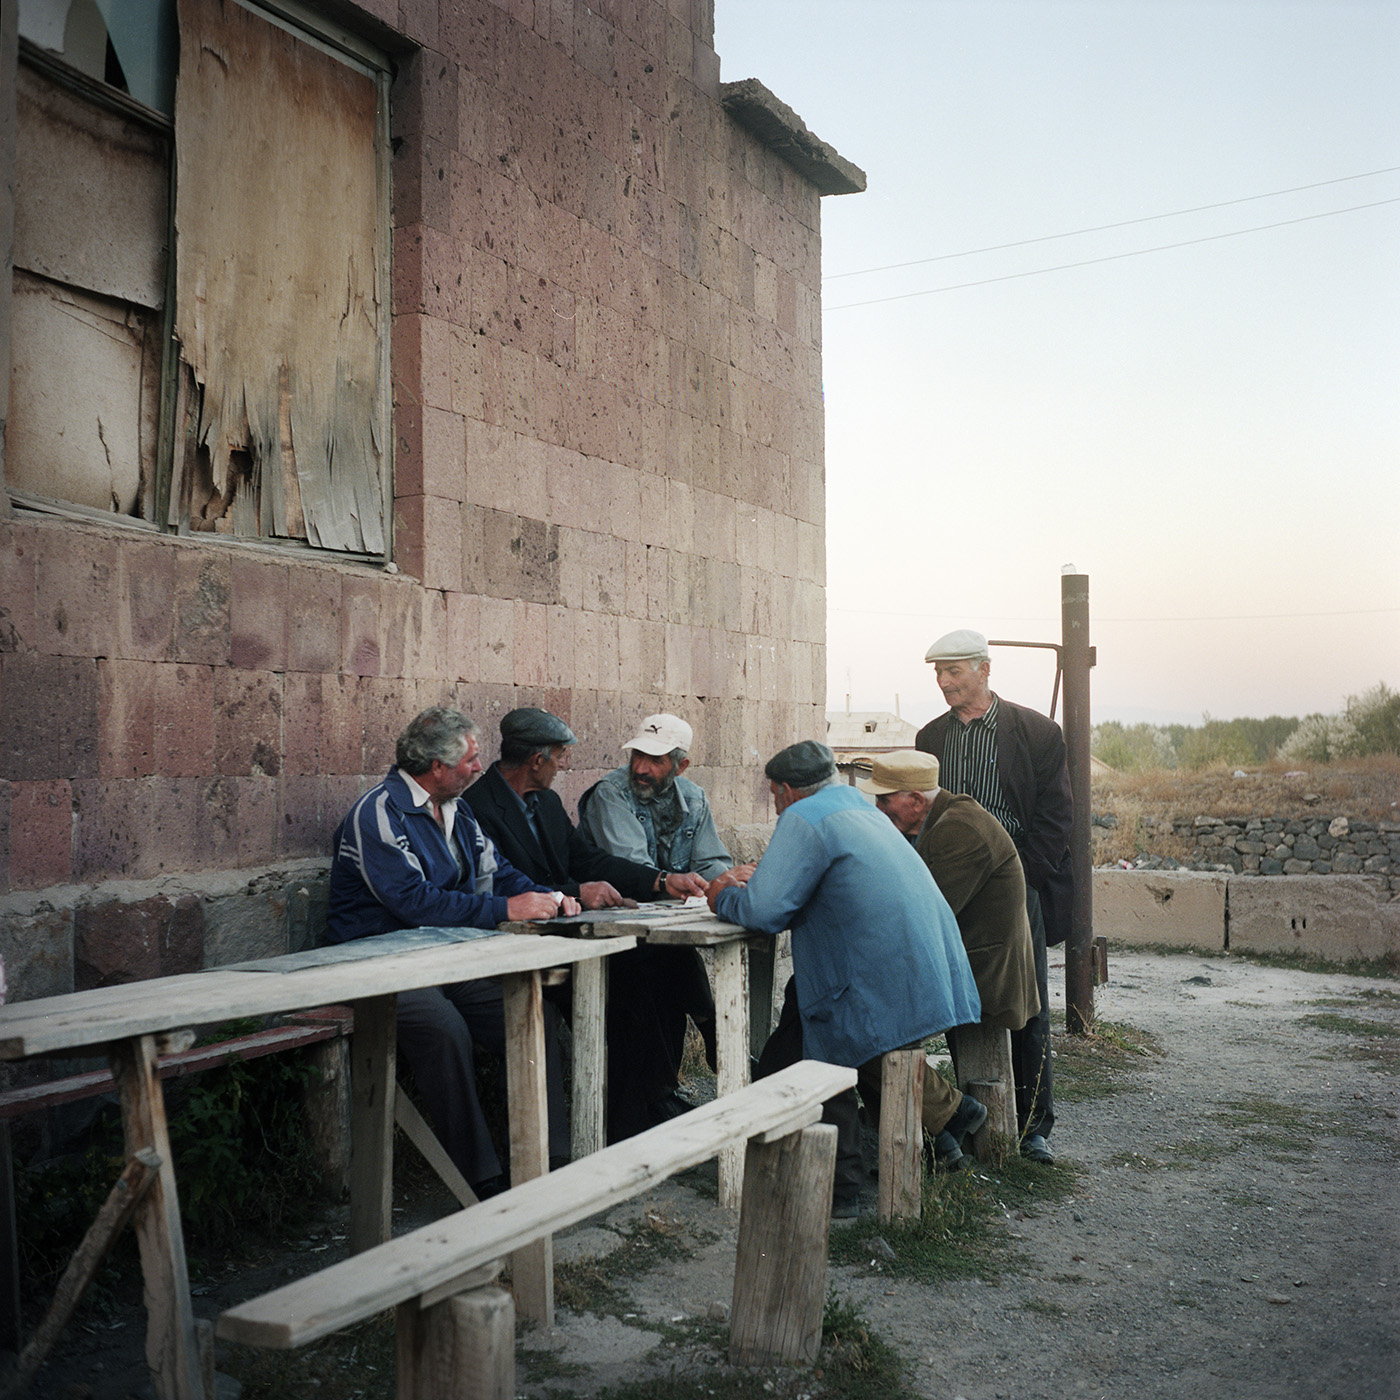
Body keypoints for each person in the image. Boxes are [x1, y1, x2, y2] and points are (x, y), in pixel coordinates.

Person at [706, 740, 984, 1216]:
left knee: (828, 1050)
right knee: (785, 1050)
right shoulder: (860, 806)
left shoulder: (804, 818)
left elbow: (766, 912)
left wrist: (720, 895)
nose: (774, 804)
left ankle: (840, 1188)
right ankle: (950, 1120)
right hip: (920, 967)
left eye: (773, 794)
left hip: (871, 976)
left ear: (788, 790)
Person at [326, 706, 579, 1198]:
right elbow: (414, 901)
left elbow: (499, 871)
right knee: (444, 1030)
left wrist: (548, 897)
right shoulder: (377, 812)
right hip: (379, 964)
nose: (478, 768)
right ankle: (479, 1177)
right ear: (436, 767)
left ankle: (548, 1160)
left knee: (533, 1015)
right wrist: (507, 907)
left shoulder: (458, 811)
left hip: (445, 959)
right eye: (470, 759)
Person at [461, 707, 711, 1139]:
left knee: (662, 958)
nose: (564, 765)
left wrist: (660, 880)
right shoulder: (479, 808)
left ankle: (659, 1091)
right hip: (521, 944)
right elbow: (509, 886)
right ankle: (629, 1120)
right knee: (630, 980)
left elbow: (588, 859)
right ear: (537, 760)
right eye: (559, 755)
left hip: (567, 933)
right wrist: (576, 892)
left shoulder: (546, 803)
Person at [915, 628, 1073, 1164]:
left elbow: (1056, 820)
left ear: (985, 669)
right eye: (938, 673)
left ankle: (1033, 1126)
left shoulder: (1036, 733)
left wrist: (1023, 879)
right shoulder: (929, 739)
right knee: (959, 992)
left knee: (1025, 1004)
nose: (944, 682)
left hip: (1013, 885)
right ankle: (968, 1113)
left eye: (954, 671)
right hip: (951, 883)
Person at [856, 749, 1041, 1170]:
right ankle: (941, 1135)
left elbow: (920, 914)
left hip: (981, 975)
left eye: (885, 800)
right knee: (863, 1020)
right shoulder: (943, 821)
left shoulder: (959, 831)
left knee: (861, 1024)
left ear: (916, 801)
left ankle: (945, 1118)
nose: (879, 808)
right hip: (958, 961)